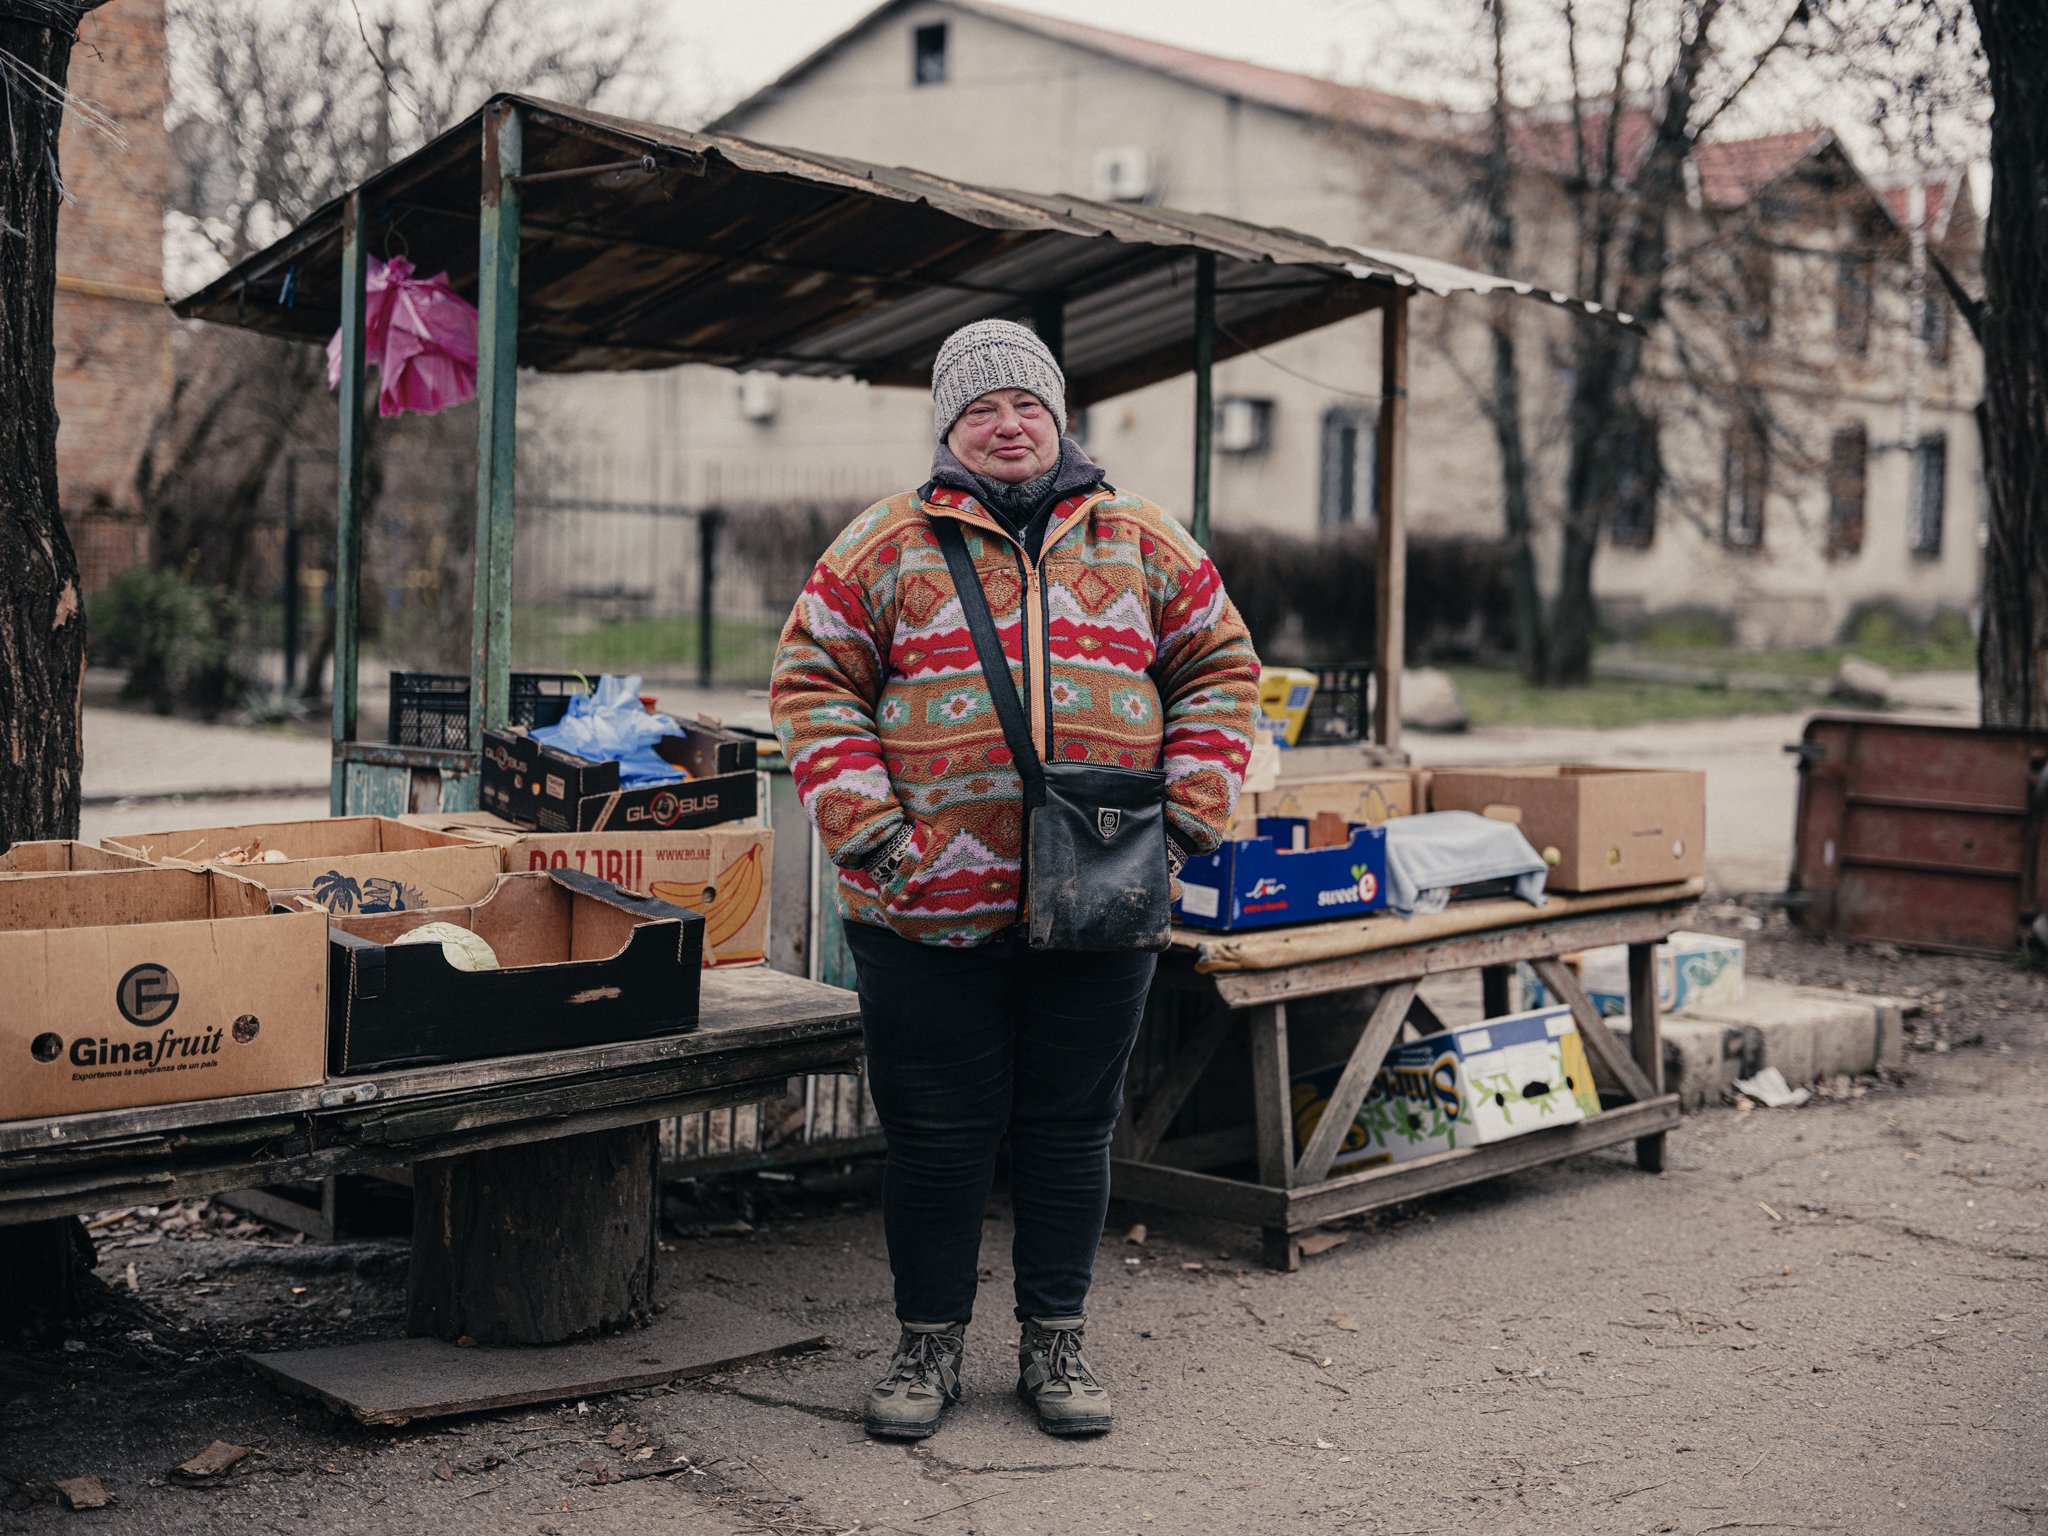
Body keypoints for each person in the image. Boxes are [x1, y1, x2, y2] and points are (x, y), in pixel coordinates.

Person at [770, 319, 1261, 1440]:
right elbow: (809, 686)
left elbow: (1222, 671)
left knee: (1069, 1128)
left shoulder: (1140, 538)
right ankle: (925, 1347)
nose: (1007, 424)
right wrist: (873, 837)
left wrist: (1181, 824)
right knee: (936, 1137)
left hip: (1103, 901)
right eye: (982, 407)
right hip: (921, 903)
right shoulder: (881, 544)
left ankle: (1055, 1342)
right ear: (949, 425)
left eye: (1025, 405)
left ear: (1058, 418)